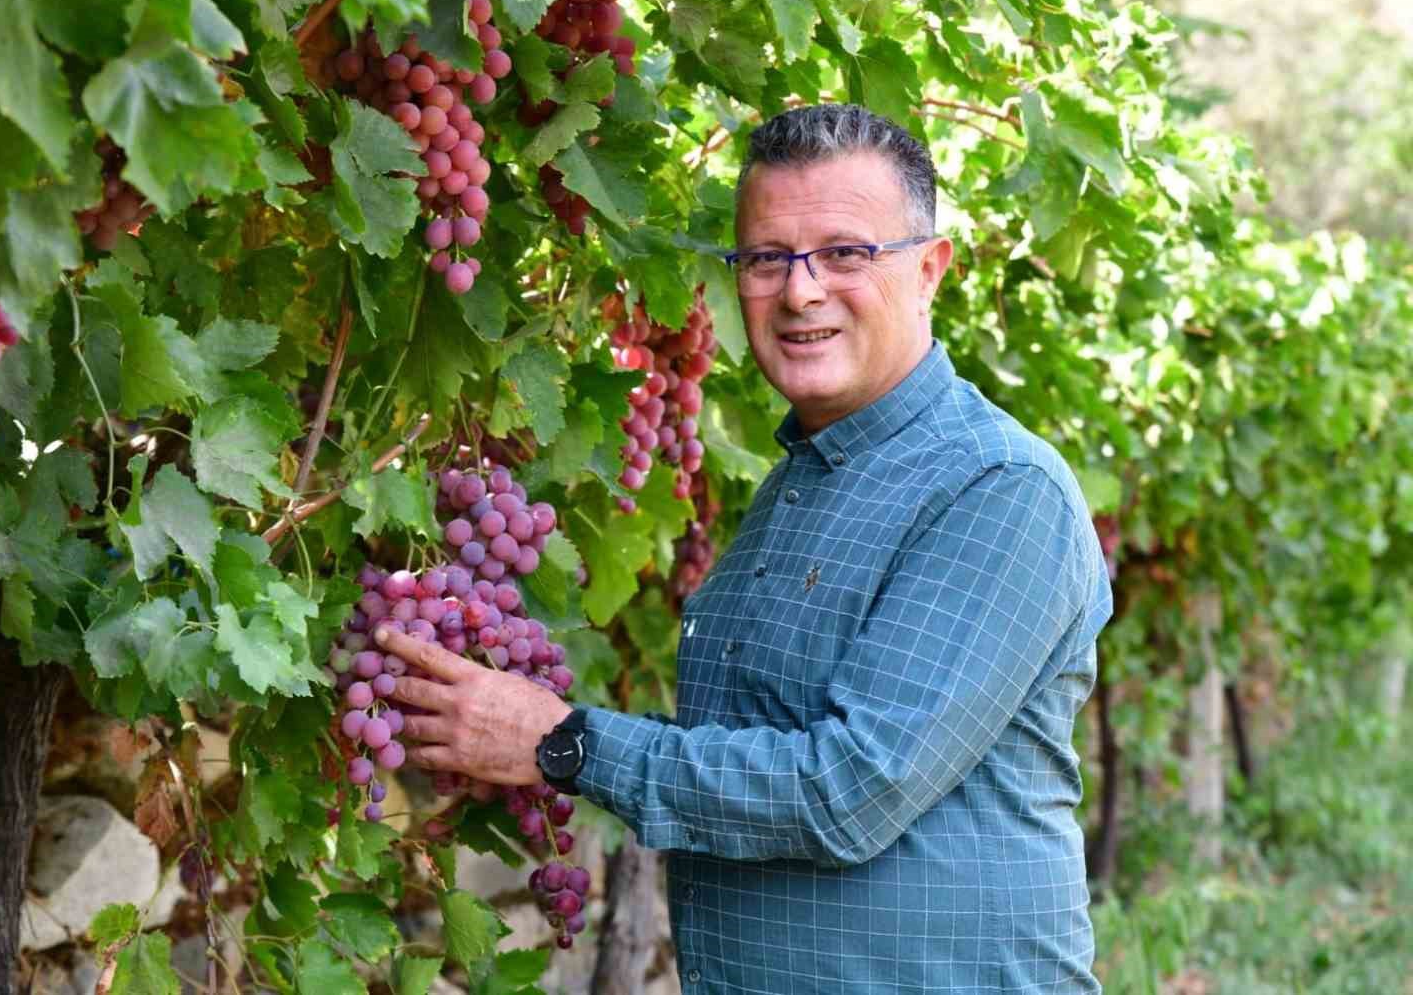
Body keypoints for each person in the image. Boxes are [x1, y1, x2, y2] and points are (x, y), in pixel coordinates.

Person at [382, 103, 1112, 994]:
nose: (800, 292)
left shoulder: (996, 488)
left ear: (930, 270)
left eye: (846, 253)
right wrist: (518, 729)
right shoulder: (797, 486)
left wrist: (562, 743)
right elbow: (747, 753)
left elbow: (849, 790)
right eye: (767, 259)